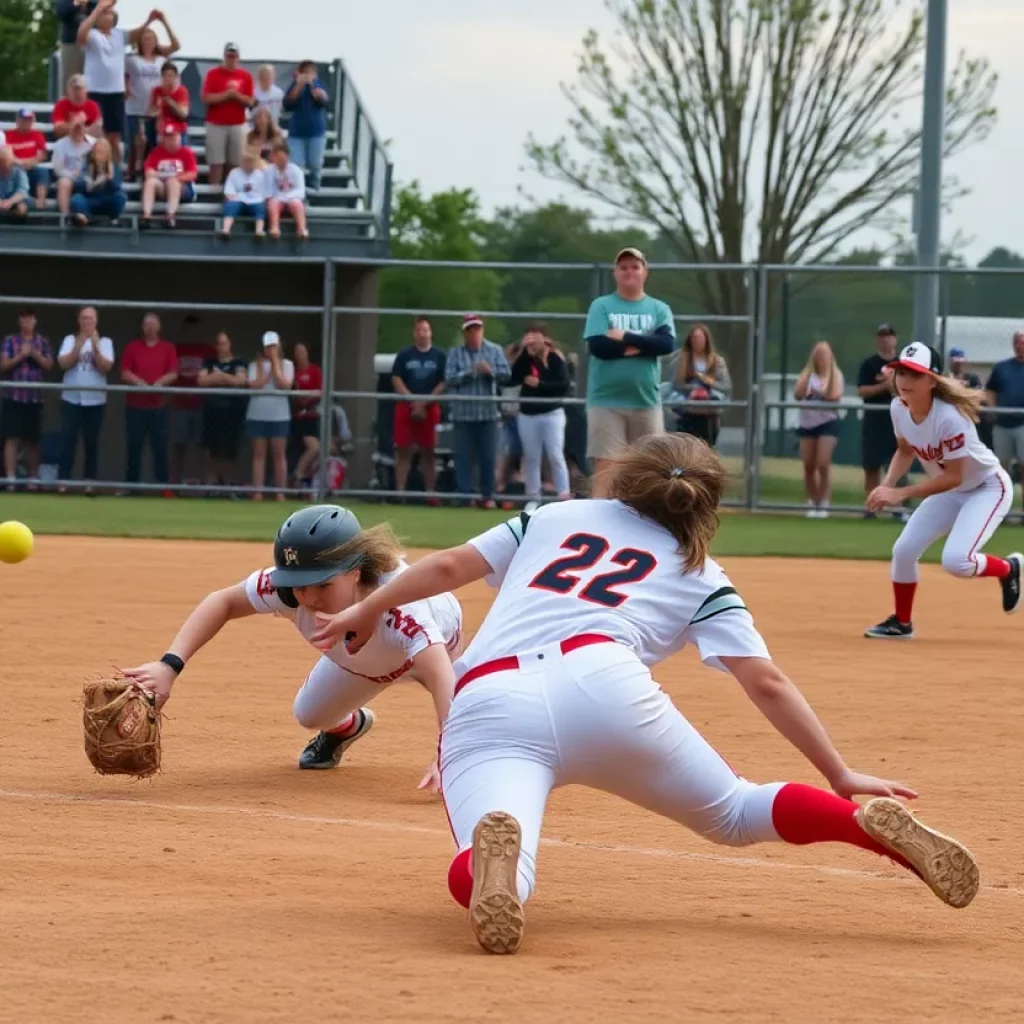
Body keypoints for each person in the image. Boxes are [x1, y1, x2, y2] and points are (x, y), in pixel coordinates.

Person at [310, 432, 980, 957]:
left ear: (625, 477)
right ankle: (866, 831)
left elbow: (449, 566)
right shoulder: (700, 569)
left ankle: (498, 873)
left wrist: (367, 611)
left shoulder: (556, 514)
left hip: (490, 697)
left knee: (499, 862)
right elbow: (765, 681)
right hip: (608, 689)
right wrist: (838, 772)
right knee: (738, 812)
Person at [123, 504, 463, 788]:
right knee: (309, 714)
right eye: (298, 585)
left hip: (430, 655)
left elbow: (438, 674)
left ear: (355, 571)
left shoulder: (405, 613)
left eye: (322, 585)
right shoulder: (288, 588)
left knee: (474, 710)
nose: (309, 598)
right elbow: (222, 602)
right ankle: (346, 727)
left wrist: (450, 751)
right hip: (361, 661)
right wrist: (169, 665)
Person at [863, 343, 1021, 639]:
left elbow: (952, 477)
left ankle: (1009, 569)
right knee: (904, 550)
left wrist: (901, 494)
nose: (904, 380)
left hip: (986, 487)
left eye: (914, 374)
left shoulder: (950, 418)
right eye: (900, 372)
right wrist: (886, 486)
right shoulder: (899, 408)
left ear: (931, 380)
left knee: (957, 562)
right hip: (952, 489)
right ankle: (902, 622)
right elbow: (905, 450)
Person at [585, 248, 675, 495]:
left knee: (652, 468)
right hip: (606, 401)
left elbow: (665, 344)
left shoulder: (658, 309)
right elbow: (599, 347)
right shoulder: (602, 306)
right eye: (623, 267)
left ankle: (646, 525)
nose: (629, 272)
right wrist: (644, 344)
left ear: (645, 272)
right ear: (615, 273)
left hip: (646, 401)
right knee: (607, 467)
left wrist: (624, 336)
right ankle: (597, 522)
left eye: (635, 267)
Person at [508, 324, 571, 503]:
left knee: (555, 454)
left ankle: (563, 495)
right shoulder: (525, 360)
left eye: (535, 337)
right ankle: (533, 497)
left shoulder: (555, 358)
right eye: (529, 338)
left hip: (552, 414)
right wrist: (524, 354)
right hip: (528, 414)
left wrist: (540, 384)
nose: (532, 342)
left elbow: (563, 386)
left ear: (544, 339)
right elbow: (512, 379)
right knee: (531, 457)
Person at [57, 305, 115, 490]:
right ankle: (63, 482)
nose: (87, 322)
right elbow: (63, 363)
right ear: (78, 320)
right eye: (83, 318)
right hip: (71, 398)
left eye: (90, 318)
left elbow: (106, 367)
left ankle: (89, 482)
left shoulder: (105, 341)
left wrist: (95, 345)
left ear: (96, 321)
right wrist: (79, 345)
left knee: (92, 442)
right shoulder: (69, 339)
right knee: (67, 440)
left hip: (95, 400)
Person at [390, 316, 447, 500]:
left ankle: (431, 493)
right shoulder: (404, 355)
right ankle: (400, 492)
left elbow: (444, 382)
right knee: (404, 450)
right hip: (406, 407)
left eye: (426, 330)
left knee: (429, 452)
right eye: (419, 330)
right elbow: (396, 378)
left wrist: (425, 402)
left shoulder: (439, 356)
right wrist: (412, 399)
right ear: (414, 333)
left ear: (431, 333)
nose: (422, 333)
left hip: (430, 408)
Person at [1, 308, 53, 488]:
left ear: (35, 321)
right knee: (11, 437)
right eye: (24, 319)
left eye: (30, 319)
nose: (27, 323)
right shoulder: (10, 341)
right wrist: (20, 355)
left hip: (34, 397)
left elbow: (49, 365)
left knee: (32, 439)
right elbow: (3, 365)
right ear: (19, 322)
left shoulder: (42, 342)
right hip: (14, 396)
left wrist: (34, 354)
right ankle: (10, 479)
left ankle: (32, 479)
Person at [857, 324, 905, 519]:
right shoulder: (869, 364)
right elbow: (862, 391)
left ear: (895, 339)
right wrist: (884, 386)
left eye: (889, 335)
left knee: (896, 468)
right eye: (882, 335)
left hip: (898, 423)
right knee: (871, 466)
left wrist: (895, 385)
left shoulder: (902, 364)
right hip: (874, 422)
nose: (886, 339)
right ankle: (871, 508)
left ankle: (898, 509)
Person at [794, 341, 844, 518]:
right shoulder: (807, 375)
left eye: (825, 354)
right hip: (807, 424)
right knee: (808, 465)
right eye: (818, 354)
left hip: (827, 424)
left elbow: (833, 396)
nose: (821, 358)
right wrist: (808, 375)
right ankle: (811, 500)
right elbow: (798, 395)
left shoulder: (835, 375)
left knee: (823, 462)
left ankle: (824, 501)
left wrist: (824, 385)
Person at [246, 330, 294, 501]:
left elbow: (285, 385)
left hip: (280, 416)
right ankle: (257, 492)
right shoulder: (254, 365)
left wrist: (275, 364)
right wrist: (265, 370)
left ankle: (281, 492)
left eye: (274, 346)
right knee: (259, 455)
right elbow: (255, 385)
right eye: (268, 347)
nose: (271, 349)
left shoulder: (287, 364)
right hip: (257, 414)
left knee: (279, 455)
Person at [198, 331, 248, 489]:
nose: (222, 346)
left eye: (225, 342)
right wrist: (227, 379)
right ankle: (211, 484)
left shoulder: (238, 362)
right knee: (210, 449)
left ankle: (227, 484)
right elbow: (202, 380)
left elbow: (240, 381)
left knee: (230, 449)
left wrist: (219, 376)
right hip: (212, 410)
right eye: (219, 343)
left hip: (232, 411)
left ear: (230, 344)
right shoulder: (209, 361)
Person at [668, 323, 731, 446]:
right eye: (694, 338)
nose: (697, 341)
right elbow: (675, 384)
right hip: (687, 407)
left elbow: (725, 386)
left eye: (700, 338)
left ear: (706, 340)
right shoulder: (680, 359)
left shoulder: (717, 361)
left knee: (707, 442)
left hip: (709, 408)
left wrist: (708, 382)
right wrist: (692, 389)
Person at [281, 60, 329, 192]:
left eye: (309, 72)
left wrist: (313, 85)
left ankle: (314, 185)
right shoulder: (295, 85)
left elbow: (323, 99)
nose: (306, 75)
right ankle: (298, 189)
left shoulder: (319, 84)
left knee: (315, 163)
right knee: (296, 164)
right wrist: (298, 85)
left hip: (316, 132)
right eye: (303, 72)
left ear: (314, 74)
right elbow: (287, 104)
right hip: (297, 133)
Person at [68, 137, 126, 225]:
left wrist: (109, 178)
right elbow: (77, 184)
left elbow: (116, 187)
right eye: (97, 151)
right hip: (90, 198)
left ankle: (113, 220)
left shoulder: (115, 167)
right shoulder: (86, 167)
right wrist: (87, 184)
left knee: (120, 197)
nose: (99, 155)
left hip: (106, 199)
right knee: (76, 199)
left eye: (102, 152)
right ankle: (86, 219)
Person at [290, 342, 323, 488]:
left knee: (316, 449)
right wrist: (301, 401)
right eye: (297, 352)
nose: (300, 355)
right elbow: (293, 394)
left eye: (303, 351)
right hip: (299, 417)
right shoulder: (293, 373)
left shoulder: (315, 370)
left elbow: (319, 391)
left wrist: (308, 399)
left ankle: (301, 477)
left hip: (312, 414)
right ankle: (298, 475)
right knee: (313, 448)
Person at [219, 147, 268, 238]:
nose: (248, 165)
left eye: (251, 162)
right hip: (237, 198)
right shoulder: (234, 172)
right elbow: (229, 189)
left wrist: (260, 198)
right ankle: (226, 229)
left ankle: (259, 230)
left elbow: (264, 191)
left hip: (255, 199)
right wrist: (231, 196)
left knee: (260, 209)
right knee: (230, 206)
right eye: (246, 162)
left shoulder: (260, 174)